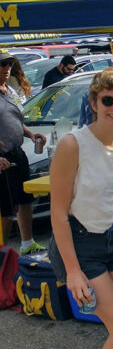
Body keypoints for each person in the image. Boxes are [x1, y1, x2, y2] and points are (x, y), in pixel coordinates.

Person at [48, 68, 113, 348]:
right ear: (94, 104)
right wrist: (72, 271)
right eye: (108, 100)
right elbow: (58, 214)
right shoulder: (73, 145)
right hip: (85, 247)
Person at [0, 50, 46, 252]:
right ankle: (2, 250)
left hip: (17, 151)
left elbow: (17, 122)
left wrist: (31, 134)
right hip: (3, 155)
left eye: (9, 64)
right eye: (2, 64)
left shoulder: (9, 90)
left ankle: (27, 243)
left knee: (24, 197)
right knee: (6, 206)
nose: (6, 68)